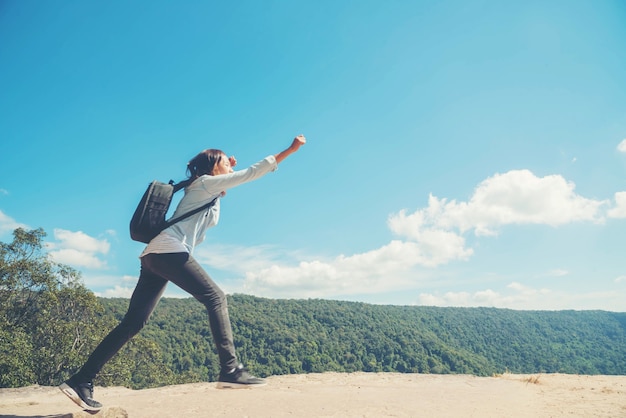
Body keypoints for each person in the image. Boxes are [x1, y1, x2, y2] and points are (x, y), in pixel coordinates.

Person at [60, 135, 307, 411]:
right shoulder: (205, 183)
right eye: (226, 163)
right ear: (213, 167)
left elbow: (225, 187)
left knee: (134, 322)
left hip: (156, 254)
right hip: (168, 249)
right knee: (216, 297)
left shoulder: (206, 187)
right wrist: (291, 150)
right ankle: (230, 370)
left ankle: (81, 380)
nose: (231, 166)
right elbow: (252, 173)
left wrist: (227, 170)